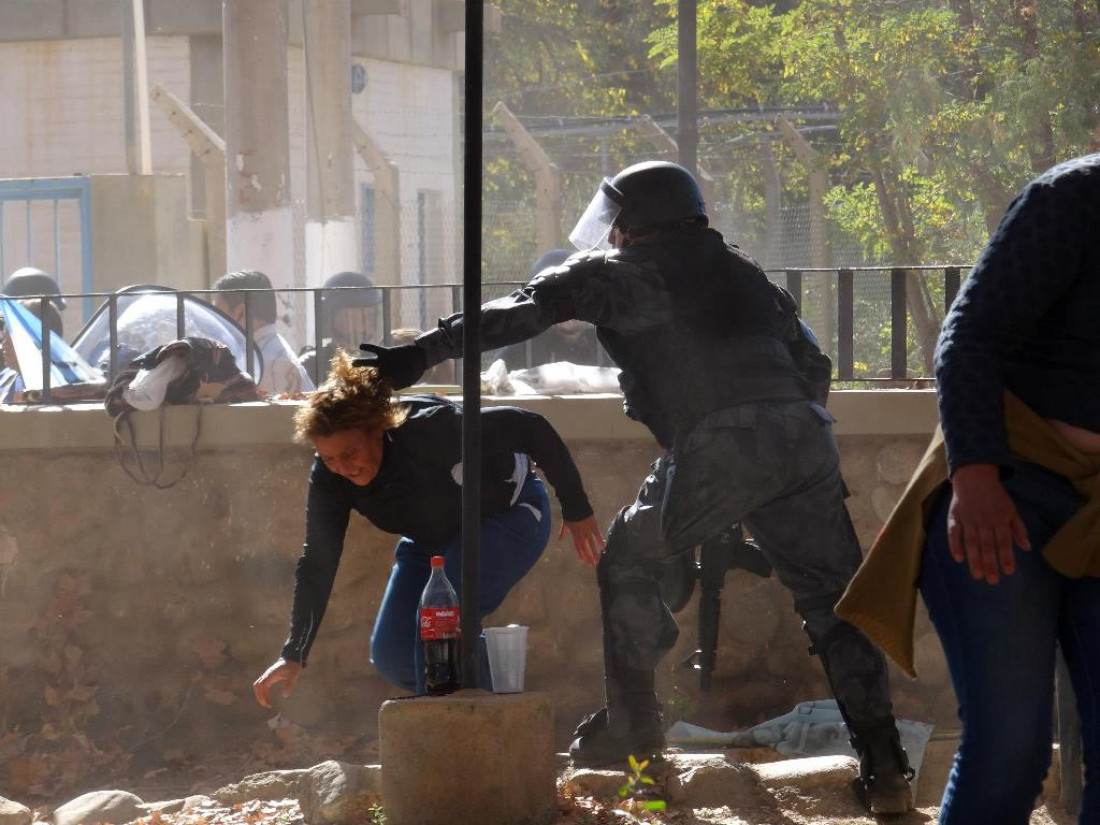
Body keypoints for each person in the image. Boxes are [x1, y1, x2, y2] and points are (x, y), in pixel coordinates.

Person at [354, 160, 914, 812]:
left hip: (717, 441)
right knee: (834, 606)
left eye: (616, 222)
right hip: (804, 437)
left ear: (633, 222)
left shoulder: (627, 275)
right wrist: (766, 468)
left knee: (623, 555)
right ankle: (886, 771)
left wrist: (422, 351)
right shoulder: (747, 275)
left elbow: (523, 310)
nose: (610, 235)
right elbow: (813, 366)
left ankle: (635, 726)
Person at [837, 152, 1100, 824]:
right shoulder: (1071, 197)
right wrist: (976, 475)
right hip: (1008, 487)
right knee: (1010, 747)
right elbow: (969, 334)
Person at [252, 352, 605, 704]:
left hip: (511, 517)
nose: (343, 468)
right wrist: (294, 652)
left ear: (377, 430)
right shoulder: (330, 478)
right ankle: (489, 699)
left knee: (437, 622)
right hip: (431, 540)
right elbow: (318, 561)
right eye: (330, 458)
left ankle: (466, 729)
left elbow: (531, 427)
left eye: (350, 453)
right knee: (395, 655)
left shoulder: (430, 429)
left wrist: (577, 509)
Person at [211, 270, 315, 395]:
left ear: (241, 313)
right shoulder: (266, 354)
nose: (215, 320)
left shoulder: (269, 366)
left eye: (218, 312)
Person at [497, 250, 601, 370]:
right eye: (557, 297)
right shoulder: (524, 345)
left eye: (577, 295)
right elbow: (496, 379)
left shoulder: (607, 341)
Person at [299, 271, 383, 386]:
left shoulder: (380, 361)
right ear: (329, 318)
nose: (359, 326)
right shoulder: (311, 365)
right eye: (350, 317)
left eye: (366, 317)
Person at [0, 298, 65, 403]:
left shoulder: (65, 389)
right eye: (5, 335)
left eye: (11, 336)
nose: (4, 345)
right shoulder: (6, 378)